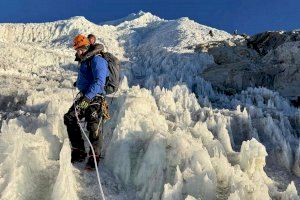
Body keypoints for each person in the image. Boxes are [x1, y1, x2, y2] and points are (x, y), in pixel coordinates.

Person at [64, 34, 109, 170]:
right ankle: (79, 151)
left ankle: (94, 156)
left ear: (87, 47)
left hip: (94, 97)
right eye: (78, 50)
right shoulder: (85, 61)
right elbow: (89, 77)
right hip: (85, 97)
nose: (79, 52)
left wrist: (88, 96)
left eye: (81, 49)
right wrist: (79, 83)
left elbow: (100, 81)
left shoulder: (96, 60)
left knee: (93, 123)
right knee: (71, 117)